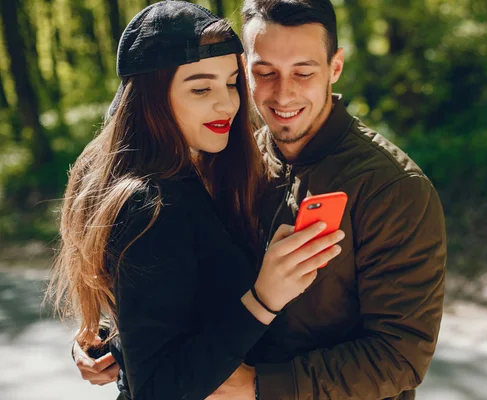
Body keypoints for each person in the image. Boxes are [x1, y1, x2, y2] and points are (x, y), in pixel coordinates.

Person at [74, 0, 447, 399]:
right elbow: (185, 284)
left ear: (335, 68)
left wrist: (258, 386)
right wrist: (121, 341)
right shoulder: (227, 160)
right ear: (244, 69)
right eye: (264, 73)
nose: (283, 94)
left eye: (303, 72)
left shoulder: (391, 188)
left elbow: (401, 356)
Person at [47, 1, 345, 399]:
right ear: (152, 96)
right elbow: (155, 388)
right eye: (201, 88)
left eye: (231, 83)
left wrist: (116, 344)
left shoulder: (203, 169)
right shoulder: (147, 203)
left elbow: (177, 312)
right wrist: (262, 299)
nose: (227, 103)